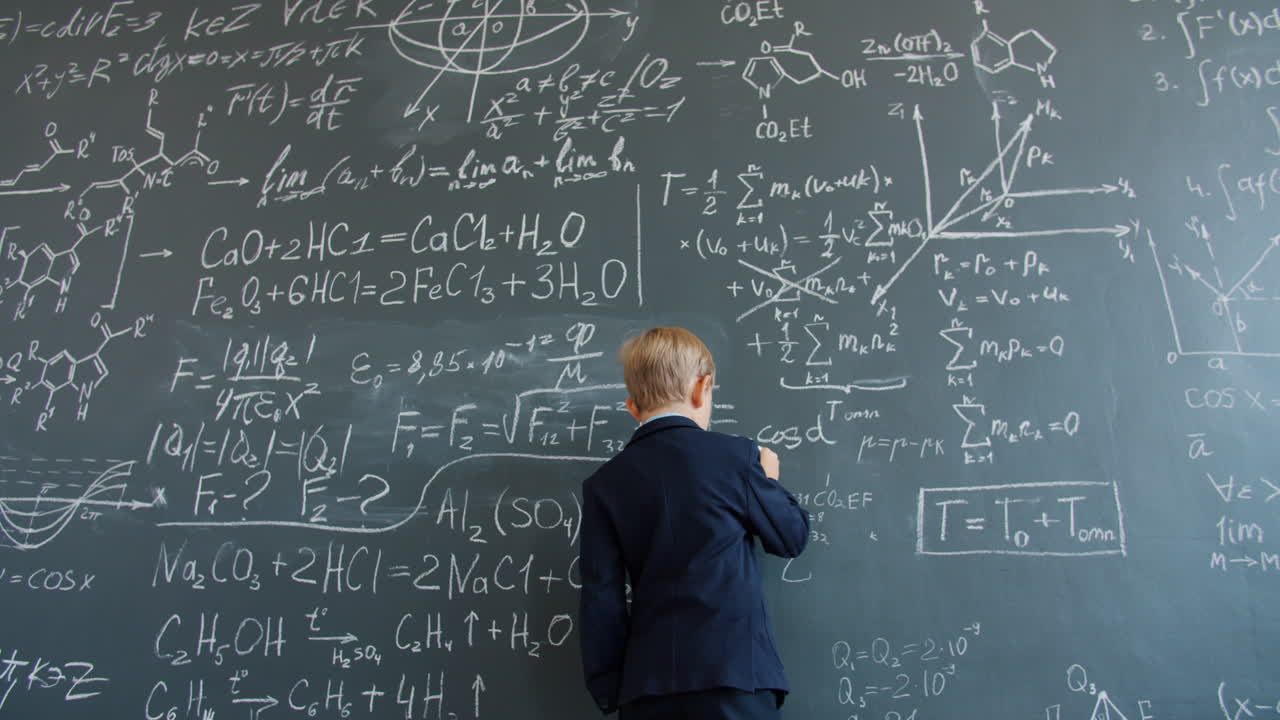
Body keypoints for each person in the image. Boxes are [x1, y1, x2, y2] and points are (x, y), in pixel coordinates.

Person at [578, 326, 810, 719]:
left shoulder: (604, 484)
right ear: (703, 388)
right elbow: (790, 538)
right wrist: (768, 480)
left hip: (647, 687)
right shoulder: (736, 458)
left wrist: (611, 688)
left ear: (632, 406)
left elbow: (602, 598)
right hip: (736, 679)